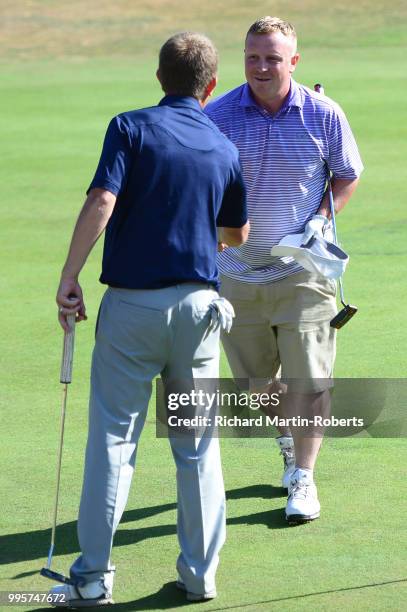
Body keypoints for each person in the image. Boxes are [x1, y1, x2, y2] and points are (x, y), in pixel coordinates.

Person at [52, 32, 249, 607]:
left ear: (159, 78)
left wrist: (70, 275)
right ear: (210, 87)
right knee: (197, 446)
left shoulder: (130, 126)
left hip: (133, 308)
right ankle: (200, 577)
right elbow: (235, 235)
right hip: (200, 312)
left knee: (114, 442)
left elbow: (103, 201)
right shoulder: (224, 146)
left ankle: (91, 579)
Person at [206, 16, 363, 523]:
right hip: (236, 271)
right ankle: (290, 441)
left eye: (272, 57)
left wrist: (320, 218)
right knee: (258, 389)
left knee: (310, 379)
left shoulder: (323, 112)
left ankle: (304, 477)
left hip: (304, 270)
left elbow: (346, 175)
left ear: (293, 61)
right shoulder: (220, 114)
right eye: (253, 56)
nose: (261, 66)